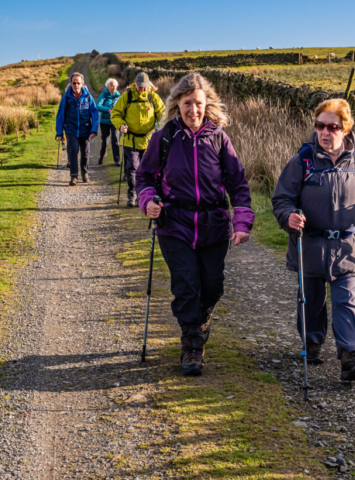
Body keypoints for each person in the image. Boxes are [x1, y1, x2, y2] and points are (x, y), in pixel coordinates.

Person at [135, 72, 255, 376]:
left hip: (214, 224)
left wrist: (241, 221)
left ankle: (201, 320)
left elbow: (238, 183)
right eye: (187, 103)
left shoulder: (218, 138)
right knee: (186, 284)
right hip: (174, 223)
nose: (193, 110)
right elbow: (145, 177)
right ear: (177, 104)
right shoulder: (164, 138)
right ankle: (191, 345)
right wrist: (148, 200)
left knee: (212, 286)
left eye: (198, 103)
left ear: (206, 104)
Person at [272, 98, 355, 382]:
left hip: (347, 247)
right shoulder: (302, 160)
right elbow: (281, 199)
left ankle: (352, 356)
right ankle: (312, 342)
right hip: (311, 245)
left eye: (332, 126)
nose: (325, 132)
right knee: (311, 300)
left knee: (346, 301)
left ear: (345, 129)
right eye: (320, 126)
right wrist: (290, 217)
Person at [111, 72, 165, 207]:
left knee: (151, 170)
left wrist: (165, 130)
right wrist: (121, 126)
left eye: (145, 86)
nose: (142, 89)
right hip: (131, 140)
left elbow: (164, 115)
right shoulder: (127, 96)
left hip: (150, 141)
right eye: (140, 86)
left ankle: (150, 196)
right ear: (135, 84)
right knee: (132, 170)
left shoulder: (153, 97)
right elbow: (115, 114)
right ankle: (132, 195)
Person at [55, 72, 99, 186]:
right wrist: (59, 133)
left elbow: (94, 114)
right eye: (74, 83)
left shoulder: (88, 96)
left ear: (82, 83)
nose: (76, 85)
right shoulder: (66, 97)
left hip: (85, 129)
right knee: (73, 151)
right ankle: (73, 176)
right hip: (71, 129)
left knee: (85, 153)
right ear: (71, 83)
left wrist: (94, 130)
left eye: (78, 83)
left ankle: (85, 173)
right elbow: (60, 115)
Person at [96, 78, 121, 166]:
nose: (113, 87)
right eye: (111, 85)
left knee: (115, 140)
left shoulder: (119, 96)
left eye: (115, 86)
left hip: (115, 121)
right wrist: (108, 110)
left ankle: (117, 160)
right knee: (105, 141)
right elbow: (98, 106)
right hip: (104, 121)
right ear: (107, 86)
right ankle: (102, 156)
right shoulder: (104, 95)